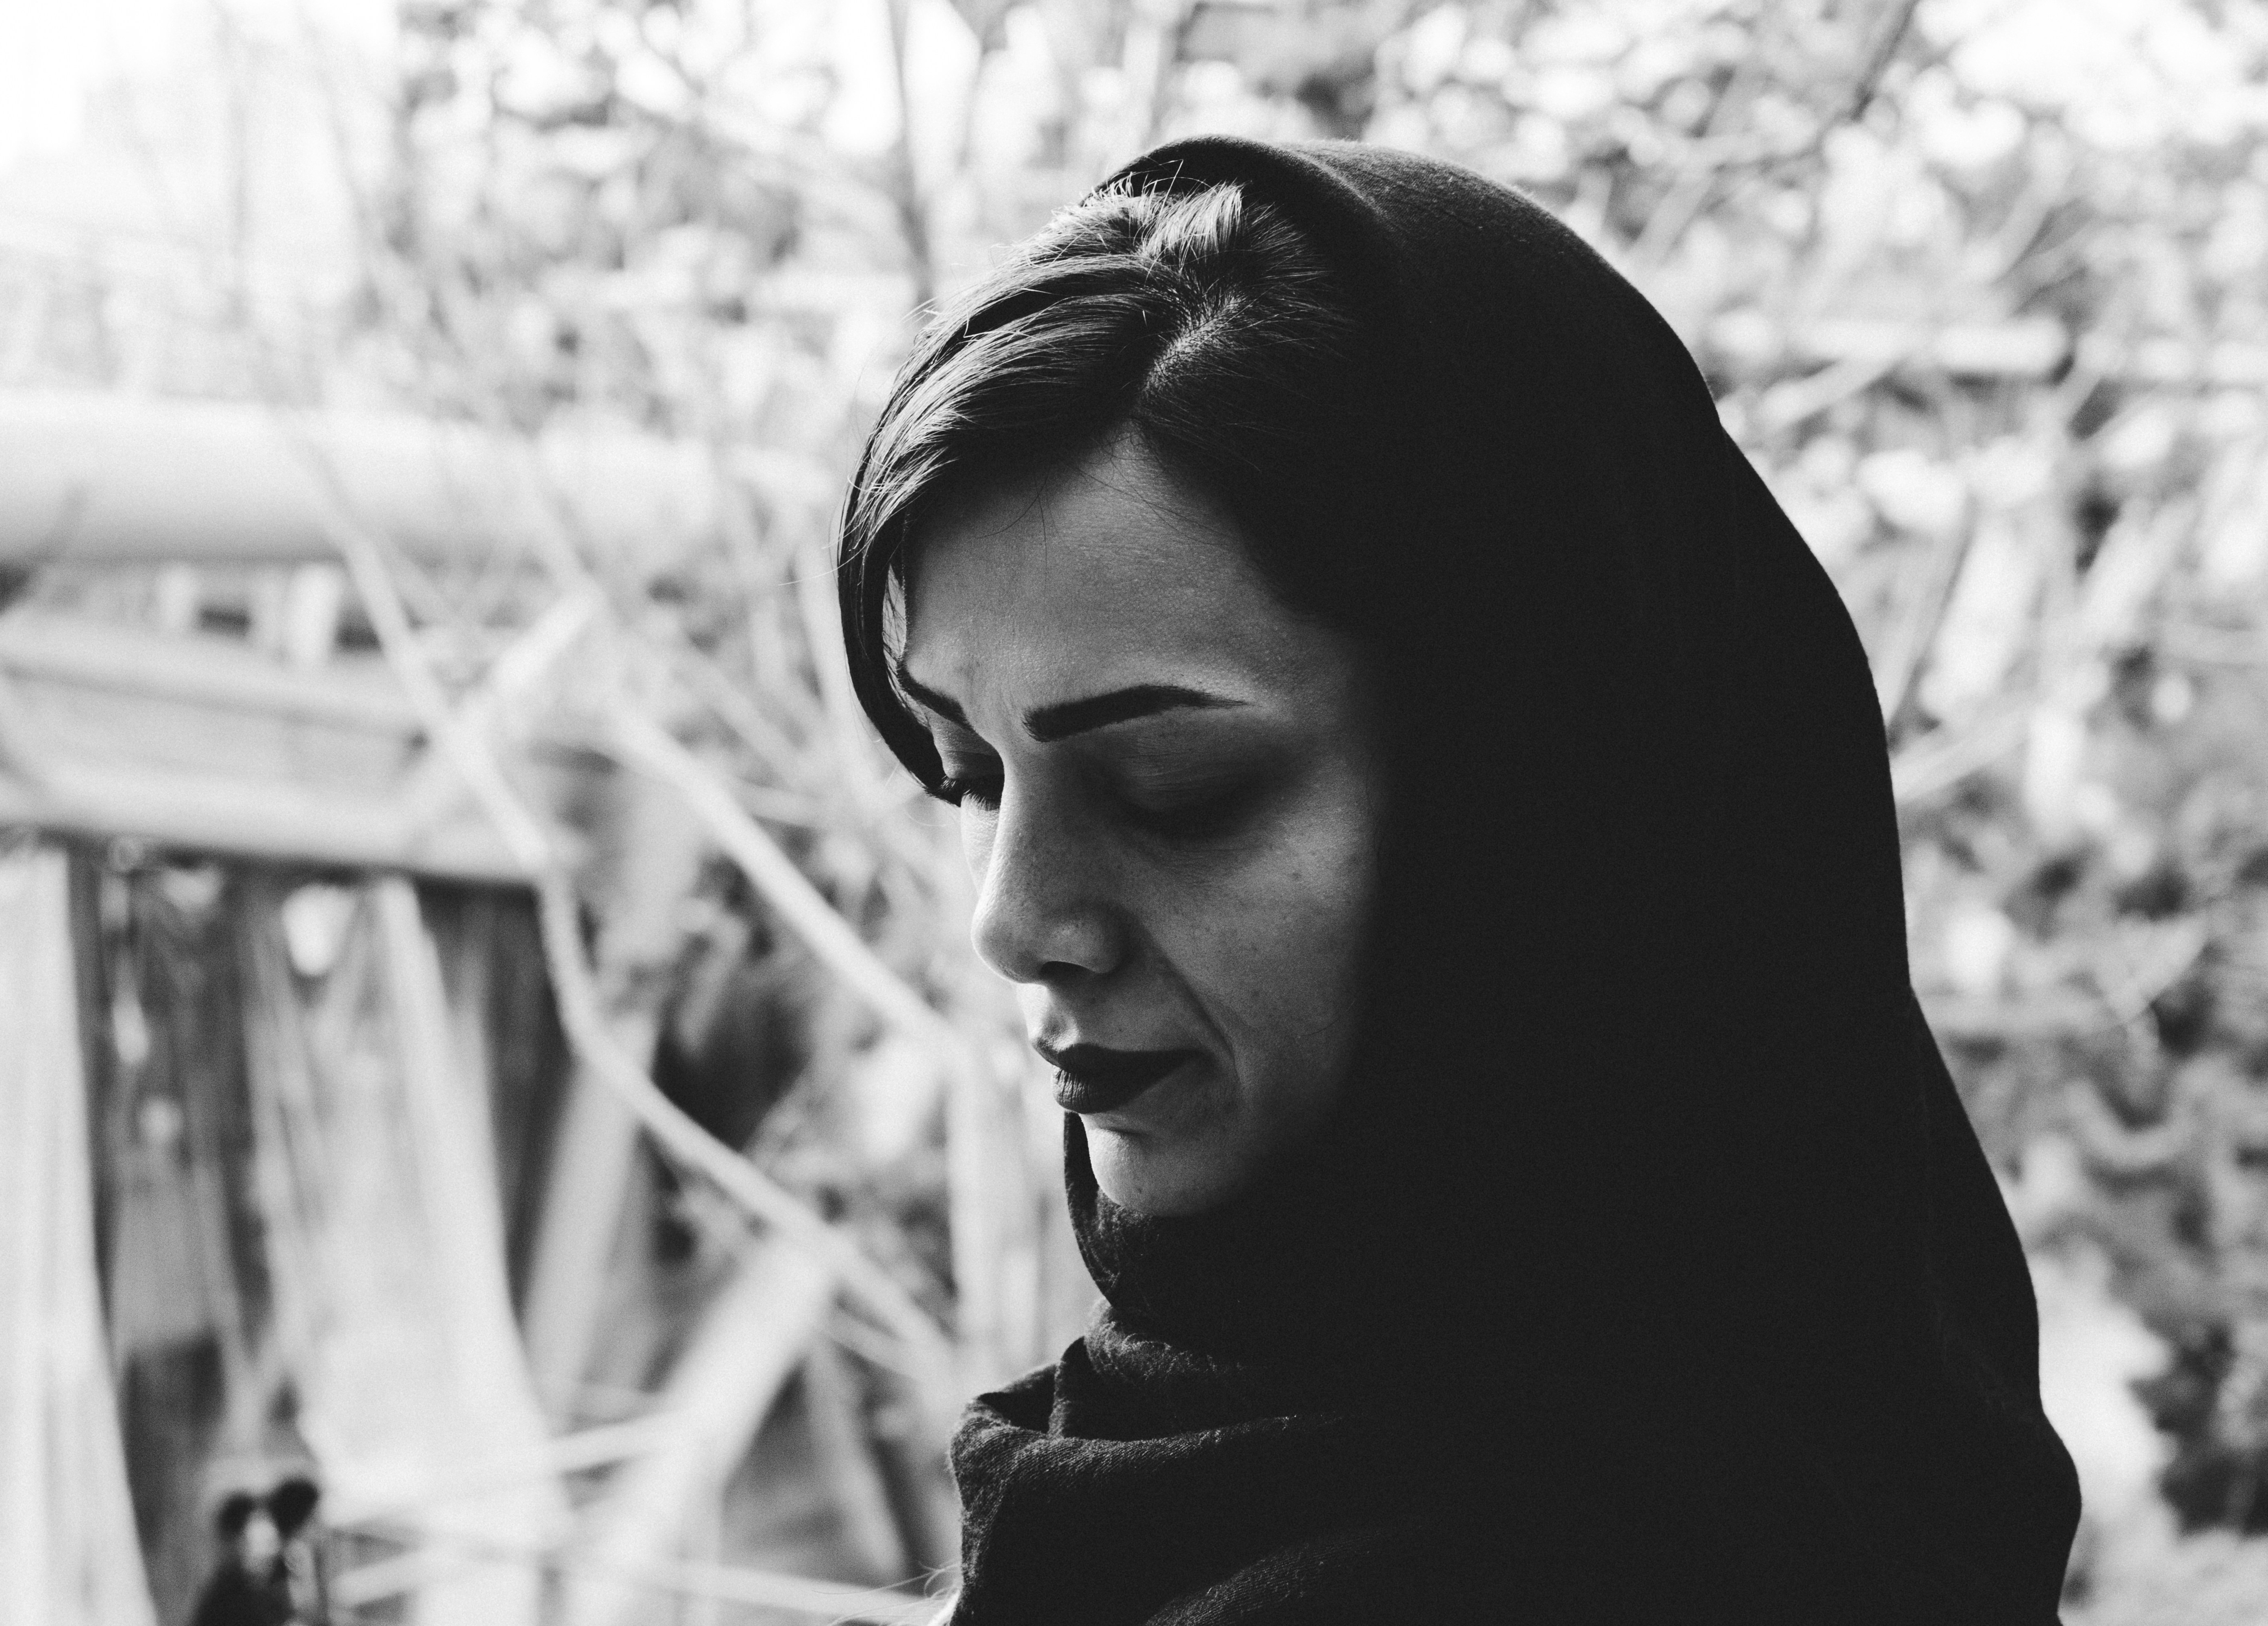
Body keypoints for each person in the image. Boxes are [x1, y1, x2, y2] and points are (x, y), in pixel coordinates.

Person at [836, 137, 2082, 1623]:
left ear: (1531, 806)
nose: (1012, 920)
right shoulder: (1199, 1463)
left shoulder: (1630, 1566)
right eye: (964, 772)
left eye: (1175, 788)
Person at [187, 1491, 289, 1626]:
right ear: (235, 1543)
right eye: (261, 1543)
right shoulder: (226, 1600)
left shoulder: (277, 1585)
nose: (272, 1553)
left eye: (271, 1542)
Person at [264, 1475, 328, 1626]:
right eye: (315, 1518)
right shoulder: (297, 1554)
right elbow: (307, 1611)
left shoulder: (284, 1555)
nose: (322, 1526)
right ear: (301, 1522)